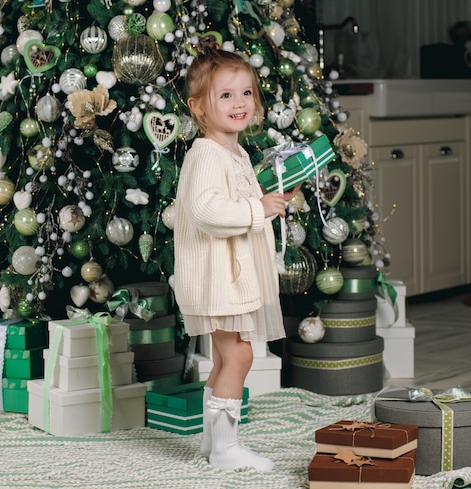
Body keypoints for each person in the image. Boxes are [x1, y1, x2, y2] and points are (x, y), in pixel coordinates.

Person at [173, 42, 299, 472]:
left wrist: (270, 201)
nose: (239, 102)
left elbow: (241, 201)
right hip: (217, 277)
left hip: (228, 275)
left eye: (246, 92)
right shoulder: (206, 154)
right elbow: (206, 211)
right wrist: (255, 209)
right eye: (225, 95)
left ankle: (213, 443)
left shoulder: (236, 151)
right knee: (241, 355)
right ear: (199, 107)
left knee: (228, 357)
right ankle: (226, 449)